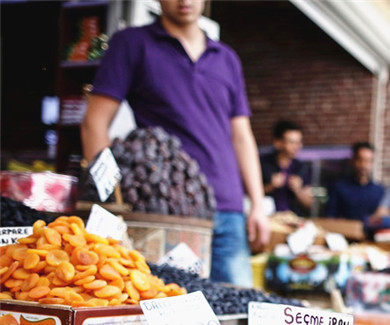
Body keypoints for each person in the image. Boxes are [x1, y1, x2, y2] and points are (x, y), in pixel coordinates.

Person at [81, 0, 269, 287]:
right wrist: (108, 199)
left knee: (238, 311)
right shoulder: (132, 43)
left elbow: (242, 136)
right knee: (167, 313)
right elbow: (94, 122)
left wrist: (257, 204)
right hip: (166, 211)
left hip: (229, 209)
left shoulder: (227, 58)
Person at [260, 120, 314, 216]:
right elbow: (245, 196)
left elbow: (310, 204)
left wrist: (298, 190)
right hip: (267, 219)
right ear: (278, 143)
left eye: (299, 142)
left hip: (292, 220)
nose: (297, 146)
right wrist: (270, 186)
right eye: (292, 142)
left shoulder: (302, 168)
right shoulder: (262, 164)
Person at [324, 141, 384, 223]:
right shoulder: (338, 187)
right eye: (360, 160)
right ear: (353, 161)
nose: (364, 165)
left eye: (368, 161)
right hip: (343, 233)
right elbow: (329, 217)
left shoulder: (379, 190)